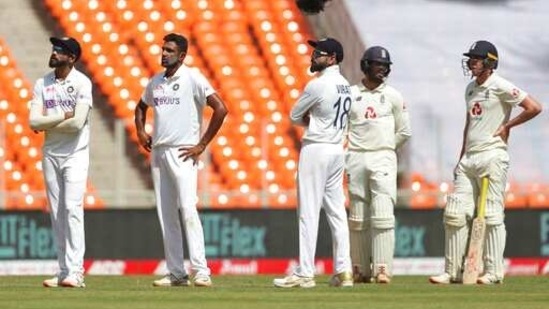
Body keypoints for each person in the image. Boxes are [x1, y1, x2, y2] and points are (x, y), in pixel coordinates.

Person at [429, 40, 542, 284]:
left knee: (491, 215)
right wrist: (461, 158)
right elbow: (469, 124)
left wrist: (507, 126)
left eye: (476, 59)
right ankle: (452, 271)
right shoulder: (470, 88)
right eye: (470, 59)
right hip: (469, 158)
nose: (471, 63)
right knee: (455, 214)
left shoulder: (500, 85)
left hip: (493, 156)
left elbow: (534, 107)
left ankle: (493, 272)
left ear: (490, 63)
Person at [134, 33, 228, 287]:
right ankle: (176, 272)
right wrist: (141, 132)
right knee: (167, 215)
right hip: (160, 153)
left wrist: (202, 144)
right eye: (163, 49)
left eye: (169, 50)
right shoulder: (155, 82)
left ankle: (201, 270)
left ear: (182, 55)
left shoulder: (192, 77)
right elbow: (140, 107)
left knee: (187, 208)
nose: (163, 53)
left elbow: (220, 108)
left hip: (184, 151)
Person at [273, 38, 353, 288]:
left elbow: (295, 116)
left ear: (332, 59)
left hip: (316, 148)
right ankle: (344, 271)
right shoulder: (346, 85)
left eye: (319, 53)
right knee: (337, 212)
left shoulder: (317, 85)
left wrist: (315, 122)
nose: (313, 56)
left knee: (308, 212)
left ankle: (305, 273)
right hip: (336, 149)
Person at [29, 37, 92, 288]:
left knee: (72, 208)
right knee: (57, 213)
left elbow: (77, 125)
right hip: (50, 154)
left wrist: (49, 121)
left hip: (76, 154)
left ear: (72, 58)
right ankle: (63, 269)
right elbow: (33, 123)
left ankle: (76, 271)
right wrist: (63, 115)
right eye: (54, 49)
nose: (54, 53)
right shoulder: (42, 83)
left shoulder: (82, 83)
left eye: (60, 51)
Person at [347, 46, 411, 284]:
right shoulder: (351, 94)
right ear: (365, 66)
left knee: (383, 214)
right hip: (355, 157)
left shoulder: (394, 95)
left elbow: (404, 131)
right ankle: (359, 269)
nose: (383, 69)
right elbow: (343, 129)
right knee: (358, 216)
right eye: (378, 64)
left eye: (386, 66)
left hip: (383, 157)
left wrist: (384, 146)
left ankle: (382, 269)